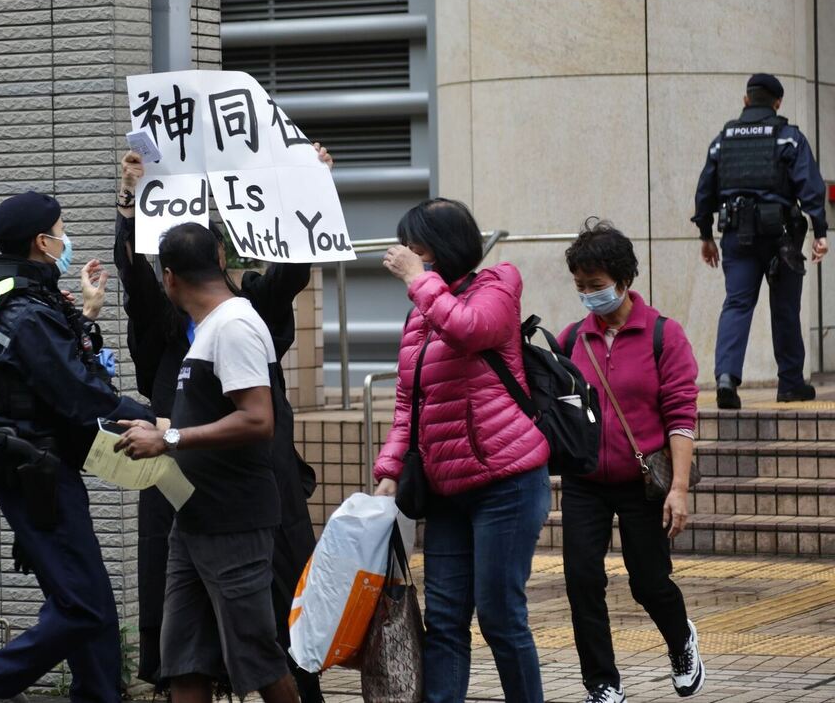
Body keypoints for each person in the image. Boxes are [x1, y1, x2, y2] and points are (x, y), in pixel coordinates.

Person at [114, 145, 332, 702]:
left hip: (239, 503)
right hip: (188, 506)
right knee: (184, 654)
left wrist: (310, 189)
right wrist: (130, 204)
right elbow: (137, 283)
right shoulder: (181, 322)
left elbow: (255, 418)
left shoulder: (240, 319)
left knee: (259, 646)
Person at [0, 191, 155, 703]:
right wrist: (150, 417)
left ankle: (99, 695)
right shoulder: (24, 308)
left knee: (86, 601)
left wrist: (87, 313)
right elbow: (76, 390)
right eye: (60, 228)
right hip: (36, 466)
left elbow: (64, 361)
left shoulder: (5, 292)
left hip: (34, 463)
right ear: (40, 241)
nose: (65, 237)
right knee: (83, 606)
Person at [371, 199, 550, 703]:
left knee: (500, 616)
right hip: (445, 488)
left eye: (417, 247)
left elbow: (471, 330)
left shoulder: (498, 285)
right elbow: (410, 402)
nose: (408, 255)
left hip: (506, 482)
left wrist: (418, 281)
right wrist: (389, 467)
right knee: (445, 621)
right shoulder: (420, 313)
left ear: (443, 247)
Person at [556, 221, 704, 703]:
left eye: (595, 286)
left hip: (642, 482)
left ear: (623, 280)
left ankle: (681, 640)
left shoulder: (664, 335)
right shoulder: (571, 339)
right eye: (580, 286)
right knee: (582, 580)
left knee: (648, 582)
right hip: (584, 481)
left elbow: (681, 415)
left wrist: (678, 488)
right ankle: (602, 683)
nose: (587, 295)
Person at [693, 72, 829, 409]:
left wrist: (706, 235)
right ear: (778, 102)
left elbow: (705, 190)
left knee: (737, 304)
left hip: (737, 236)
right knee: (785, 308)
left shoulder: (723, 140)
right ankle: (790, 384)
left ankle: (726, 378)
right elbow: (810, 187)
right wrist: (820, 232)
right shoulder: (788, 138)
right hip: (780, 236)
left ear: (746, 100)